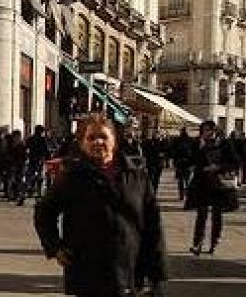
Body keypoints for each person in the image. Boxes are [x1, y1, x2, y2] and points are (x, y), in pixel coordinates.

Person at [34, 113, 168, 297]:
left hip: (131, 269)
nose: (97, 142)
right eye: (91, 138)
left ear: (114, 140)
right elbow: (44, 211)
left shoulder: (137, 176)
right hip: (88, 270)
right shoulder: (72, 177)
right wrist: (54, 247)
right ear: (82, 144)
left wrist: (157, 272)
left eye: (103, 137)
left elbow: (154, 225)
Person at [184, 120, 241, 255]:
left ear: (214, 131)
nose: (206, 134)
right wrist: (200, 150)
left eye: (208, 130)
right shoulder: (198, 143)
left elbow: (235, 162)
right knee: (201, 215)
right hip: (202, 183)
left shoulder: (225, 143)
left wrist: (219, 167)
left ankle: (214, 242)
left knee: (217, 215)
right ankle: (197, 243)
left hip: (219, 185)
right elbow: (191, 160)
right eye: (203, 131)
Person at [19, 125, 49, 206]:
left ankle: (22, 195)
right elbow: (46, 151)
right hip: (39, 162)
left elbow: (25, 149)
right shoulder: (43, 140)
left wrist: (26, 157)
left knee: (28, 179)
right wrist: (47, 159)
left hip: (32, 162)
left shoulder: (30, 139)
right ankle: (39, 197)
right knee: (39, 180)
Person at [172, 127, 194, 201]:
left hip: (184, 163)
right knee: (184, 180)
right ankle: (183, 194)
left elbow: (173, 152)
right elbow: (173, 151)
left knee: (184, 180)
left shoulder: (179, 140)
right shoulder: (189, 140)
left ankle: (183, 194)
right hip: (183, 163)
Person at [7, 130, 27, 204]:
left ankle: (20, 195)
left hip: (20, 165)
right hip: (14, 165)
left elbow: (24, 155)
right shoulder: (12, 145)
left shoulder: (21, 145)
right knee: (14, 180)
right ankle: (16, 195)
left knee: (19, 180)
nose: (15, 138)